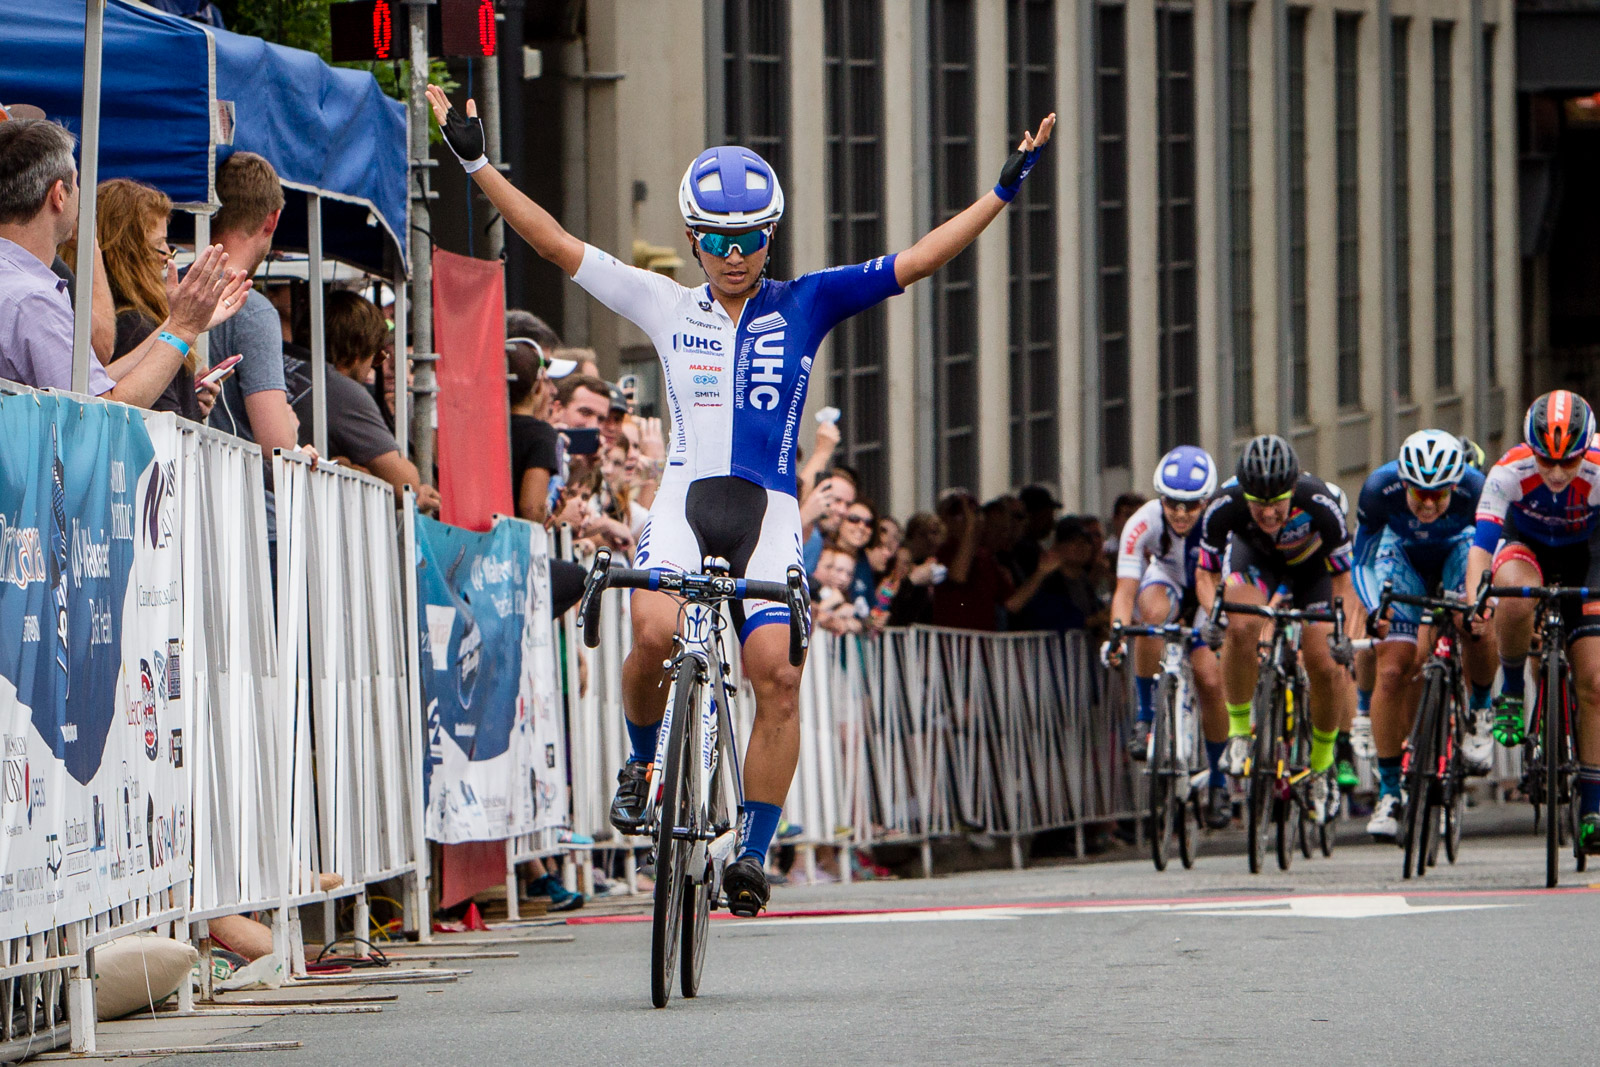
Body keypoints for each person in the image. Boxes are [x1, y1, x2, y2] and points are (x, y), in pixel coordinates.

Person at [428, 80, 1055, 915]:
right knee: (651, 631)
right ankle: (645, 759)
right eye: (718, 239)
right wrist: (475, 159)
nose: (734, 254)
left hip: (767, 514)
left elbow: (920, 257)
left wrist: (1004, 187)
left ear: (771, 235)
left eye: (751, 238)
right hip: (684, 501)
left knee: (777, 676)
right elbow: (553, 244)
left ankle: (753, 850)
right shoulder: (664, 301)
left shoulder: (809, 300)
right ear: (693, 239)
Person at [0, 118, 244, 405]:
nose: (82, 194)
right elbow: (97, 410)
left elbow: (87, 385)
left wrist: (173, 326)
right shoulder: (32, 299)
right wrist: (183, 329)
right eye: (76, 182)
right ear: (59, 196)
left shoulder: (18, 286)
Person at [1194, 434, 1362, 824]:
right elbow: (1204, 574)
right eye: (1259, 506)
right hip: (1257, 565)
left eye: (1277, 504)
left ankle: (1322, 766)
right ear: (1245, 496)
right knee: (1241, 624)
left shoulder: (1319, 501)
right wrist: (1213, 614)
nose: (1269, 515)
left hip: (1313, 573)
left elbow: (1344, 582)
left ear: (1293, 489)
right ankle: (1239, 733)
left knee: (1322, 664)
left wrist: (1343, 631)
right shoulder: (1225, 503)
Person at [1467, 391, 1600, 850]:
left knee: (1596, 682)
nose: (1559, 473)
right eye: (1548, 461)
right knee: (1514, 599)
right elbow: (1482, 548)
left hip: (1588, 555)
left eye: (1571, 461)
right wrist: (1476, 601)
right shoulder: (1509, 470)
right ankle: (1510, 690)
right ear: (1531, 449)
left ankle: (1593, 808)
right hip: (1528, 547)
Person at [1351, 430, 1495, 841]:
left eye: (1439, 495)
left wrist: (1481, 604)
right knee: (1394, 668)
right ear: (1405, 483)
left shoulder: (1475, 488)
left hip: (1458, 554)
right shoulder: (1380, 488)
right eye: (1419, 495)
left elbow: (1490, 553)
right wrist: (1376, 606)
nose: (1429, 504)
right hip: (1404, 557)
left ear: (1455, 484)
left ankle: (1481, 711)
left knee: (1476, 627)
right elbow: (1362, 562)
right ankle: (1389, 791)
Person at [1102, 447, 1231, 829]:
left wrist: (1220, 625)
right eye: (1172, 502)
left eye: (1191, 505)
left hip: (1211, 590)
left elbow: (1235, 580)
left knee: (1209, 678)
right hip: (1170, 582)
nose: (1180, 512)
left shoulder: (1221, 521)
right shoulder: (1142, 522)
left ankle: (1220, 782)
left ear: (1205, 502)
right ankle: (1145, 719)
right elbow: (1125, 591)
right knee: (1150, 615)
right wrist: (1117, 636)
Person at [87, 178, 223, 420]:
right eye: (159, 246)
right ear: (130, 253)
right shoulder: (134, 325)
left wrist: (189, 396)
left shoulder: (114, 319)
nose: (167, 258)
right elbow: (168, 422)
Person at [294, 291, 439, 512]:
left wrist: (358, 470)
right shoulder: (342, 391)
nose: (375, 366)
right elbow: (406, 486)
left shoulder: (277, 363)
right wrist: (364, 472)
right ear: (355, 352)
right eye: (376, 356)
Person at [508, 338, 559, 523]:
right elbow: (531, 507)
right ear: (537, 387)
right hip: (513, 544)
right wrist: (545, 515)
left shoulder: (480, 428)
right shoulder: (541, 434)